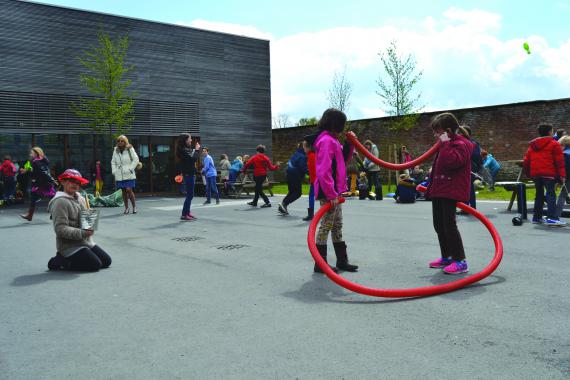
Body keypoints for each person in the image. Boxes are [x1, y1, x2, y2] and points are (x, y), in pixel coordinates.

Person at [308, 108, 358, 273]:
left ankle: (342, 260)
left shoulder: (333, 140)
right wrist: (331, 194)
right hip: (328, 191)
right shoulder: (327, 141)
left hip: (335, 192)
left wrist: (350, 144)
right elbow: (323, 171)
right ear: (336, 124)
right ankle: (320, 263)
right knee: (326, 225)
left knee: (337, 225)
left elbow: (342, 161)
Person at [426, 113, 473, 275]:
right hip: (440, 189)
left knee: (449, 225)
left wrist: (445, 143)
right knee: (438, 225)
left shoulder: (461, 144)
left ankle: (460, 261)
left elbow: (452, 162)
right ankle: (447, 256)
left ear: (446, 131)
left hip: (450, 190)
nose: (435, 135)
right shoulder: (447, 144)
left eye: (437, 131)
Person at [46, 169, 112, 272]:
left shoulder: (80, 198)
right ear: (63, 181)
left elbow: (87, 221)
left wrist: (91, 222)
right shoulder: (59, 202)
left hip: (85, 241)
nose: (75, 185)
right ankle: (61, 260)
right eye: (72, 181)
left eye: (78, 182)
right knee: (95, 265)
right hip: (69, 245)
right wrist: (83, 232)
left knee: (106, 261)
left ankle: (75, 258)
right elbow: (60, 229)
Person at [523, 123, 567, 226]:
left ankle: (537, 217)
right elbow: (559, 162)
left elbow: (526, 161)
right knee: (551, 194)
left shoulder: (532, 145)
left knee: (539, 195)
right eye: (552, 130)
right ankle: (552, 218)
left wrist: (529, 174)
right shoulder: (554, 144)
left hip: (536, 174)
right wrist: (562, 176)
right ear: (549, 132)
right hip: (549, 174)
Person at [20, 147, 57, 221]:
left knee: (53, 199)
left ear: (36, 153)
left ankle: (54, 214)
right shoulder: (38, 161)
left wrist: (51, 180)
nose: (30, 154)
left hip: (43, 184)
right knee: (37, 197)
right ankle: (29, 215)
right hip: (41, 183)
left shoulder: (37, 162)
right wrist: (26, 171)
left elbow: (43, 172)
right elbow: (37, 173)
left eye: (31, 153)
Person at [111, 135, 139, 214]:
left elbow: (136, 159)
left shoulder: (130, 149)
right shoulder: (115, 150)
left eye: (122, 141)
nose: (120, 142)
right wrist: (114, 171)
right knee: (123, 191)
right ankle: (126, 208)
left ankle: (134, 206)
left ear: (125, 142)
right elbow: (113, 162)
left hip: (129, 173)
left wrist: (131, 168)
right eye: (118, 141)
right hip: (120, 174)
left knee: (129, 189)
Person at [278, 143, 308, 215]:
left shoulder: (295, 154)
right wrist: (311, 173)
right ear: (304, 148)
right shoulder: (302, 156)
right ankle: (284, 203)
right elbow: (303, 168)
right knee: (297, 193)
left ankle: (283, 205)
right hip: (295, 176)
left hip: (289, 175)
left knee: (292, 192)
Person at [457, 125, 482, 212]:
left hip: (469, 169)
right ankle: (469, 207)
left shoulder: (471, 143)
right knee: (468, 188)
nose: (459, 134)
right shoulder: (472, 143)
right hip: (469, 168)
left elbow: (476, 157)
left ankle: (468, 207)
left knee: (467, 188)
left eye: (461, 132)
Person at [176, 133, 200, 220]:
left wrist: (195, 151)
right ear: (185, 140)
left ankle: (187, 212)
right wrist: (196, 150)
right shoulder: (183, 150)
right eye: (190, 139)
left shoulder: (185, 149)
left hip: (190, 174)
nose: (191, 140)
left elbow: (192, 157)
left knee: (190, 195)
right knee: (190, 195)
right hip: (189, 174)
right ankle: (184, 214)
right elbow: (193, 158)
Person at [554, 136, 570, 220]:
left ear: (563, 144)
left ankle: (556, 216)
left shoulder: (565, 154)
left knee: (562, 196)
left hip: (568, 178)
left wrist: (560, 181)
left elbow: (565, 169)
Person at [303, 141, 316, 221]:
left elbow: (314, 169)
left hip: (315, 180)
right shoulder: (311, 155)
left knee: (311, 196)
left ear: (308, 147)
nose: (303, 149)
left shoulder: (311, 156)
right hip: (314, 179)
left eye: (304, 147)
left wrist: (312, 179)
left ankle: (311, 215)